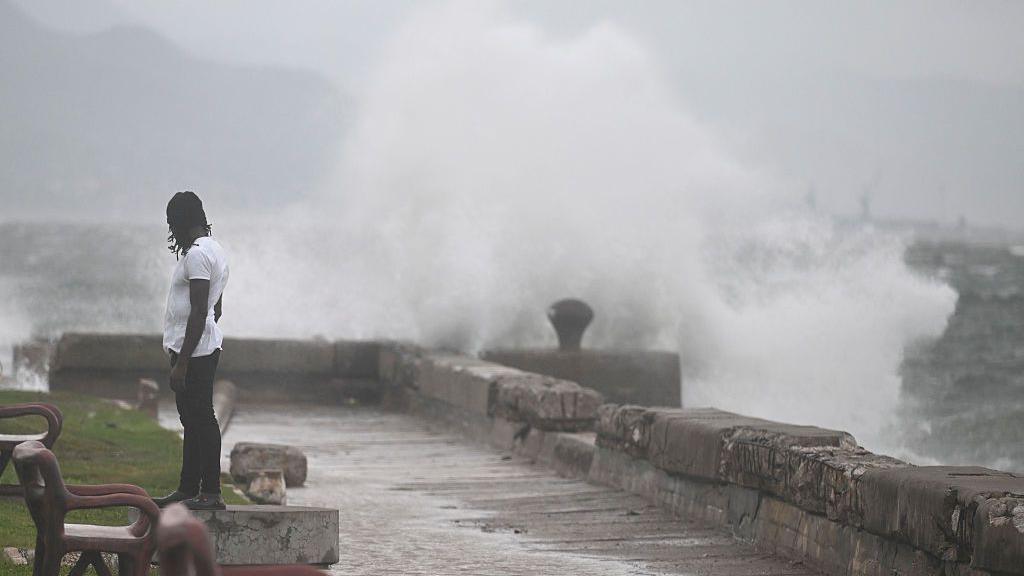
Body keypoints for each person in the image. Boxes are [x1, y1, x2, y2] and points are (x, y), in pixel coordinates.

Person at [153, 191, 230, 510]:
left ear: (183, 222)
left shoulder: (197, 255)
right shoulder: (215, 249)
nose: (171, 230)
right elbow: (217, 305)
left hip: (195, 352)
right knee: (192, 418)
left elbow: (200, 310)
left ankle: (210, 491)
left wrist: (181, 363)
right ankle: (188, 488)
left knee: (202, 418)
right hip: (201, 346)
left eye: (172, 223)